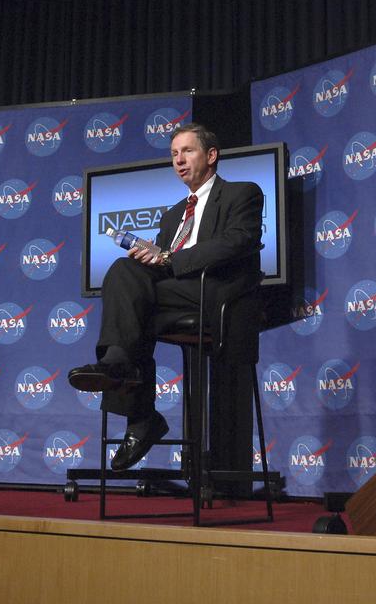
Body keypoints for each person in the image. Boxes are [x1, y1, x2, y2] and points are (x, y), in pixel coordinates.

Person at [68, 123, 264, 471]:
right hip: (174, 293)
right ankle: (119, 364)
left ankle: (140, 414)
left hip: (215, 292)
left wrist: (170, 259)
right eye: (174, 154)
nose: (178, 160)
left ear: (212, 156)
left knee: (134, 305)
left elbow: (237, 241)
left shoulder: (242, 193)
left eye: (187, 151)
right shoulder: (173, 214)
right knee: (122, 271)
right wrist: (151, 255)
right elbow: (162, 263)